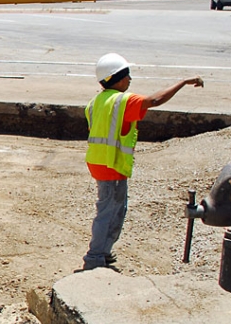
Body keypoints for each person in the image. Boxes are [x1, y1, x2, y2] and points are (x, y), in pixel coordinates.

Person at [82, 53, 204, 270]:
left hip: (100, 162)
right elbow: (154, 100)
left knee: (114, 210)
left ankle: (103, 252)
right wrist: (183, 82)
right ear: (117, 78)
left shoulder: (96, 101)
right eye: (127, 76)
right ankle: (95, 257)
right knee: (109, 212)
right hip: (111, 164)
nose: (130, 80)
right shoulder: (122, 101)